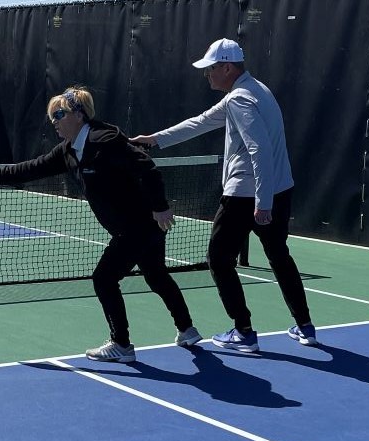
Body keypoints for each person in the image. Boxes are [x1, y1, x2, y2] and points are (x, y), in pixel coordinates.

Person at [0, 87, 201, 363]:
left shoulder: (104, 140)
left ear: (79, 115)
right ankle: (187, 329)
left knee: (104, 279)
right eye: (51, 116)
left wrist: (160, 207)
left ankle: (121, 344)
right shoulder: (69, 150)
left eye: (59, 114)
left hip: (138, 225)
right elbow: (33, 167)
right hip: (136, 225)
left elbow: (147, 168)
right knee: (156, 275)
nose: (54, 121)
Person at [132, 38, 316, 353]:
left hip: (248, 195)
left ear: (227, 67)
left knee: (218, 259)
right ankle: (305, 326)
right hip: (278, 189)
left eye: (211, 69)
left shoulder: (239, 100)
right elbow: (200, 123)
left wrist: (263, 203)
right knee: (279, 257)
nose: (207, 75)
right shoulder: (255, 90)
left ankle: (243, 331)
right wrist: (154, 140)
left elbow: (259, 151)